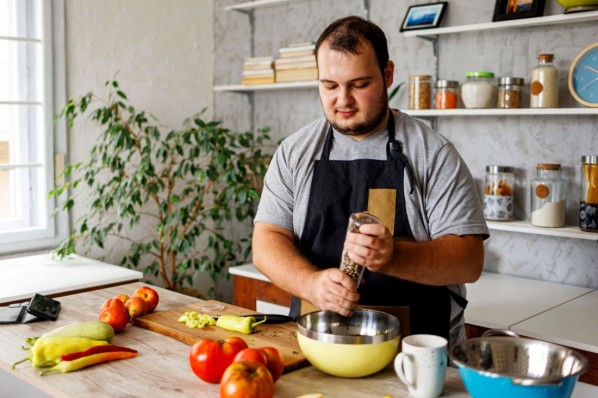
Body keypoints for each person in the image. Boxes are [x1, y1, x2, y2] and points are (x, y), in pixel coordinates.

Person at [252, 15, 489, 347]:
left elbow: (469, 261)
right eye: (329, 86)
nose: (343, 100)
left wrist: (394, 257)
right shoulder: (294, 152)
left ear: (387, 74)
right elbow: (266, 242)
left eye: (359, 84)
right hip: (318, 342)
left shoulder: (433, 153)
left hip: (418, 348)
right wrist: (311, 284)